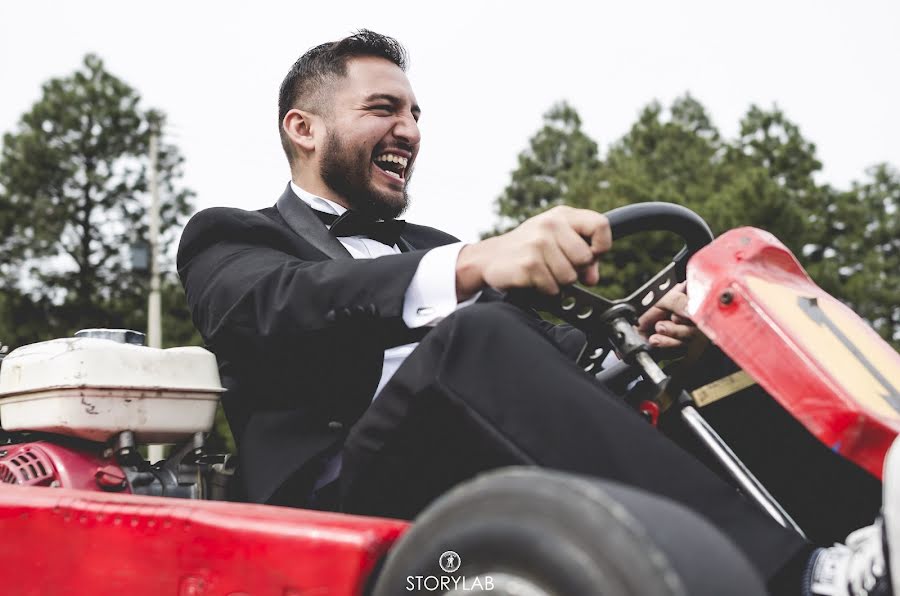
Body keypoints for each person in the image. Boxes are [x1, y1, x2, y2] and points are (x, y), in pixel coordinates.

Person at [176, 30, 892, 596]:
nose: (411, 129)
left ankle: (868, 532)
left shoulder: (435, 247)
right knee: (477, 334)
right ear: (303, 128)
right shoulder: (234, 236)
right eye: (383, 109)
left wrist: (641, 341)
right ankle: (803, 579)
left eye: (416, 113)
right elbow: (273, 310)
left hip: (480, 470)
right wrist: (473, 265)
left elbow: (544, 359)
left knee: (704, 367)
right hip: (332, 504)